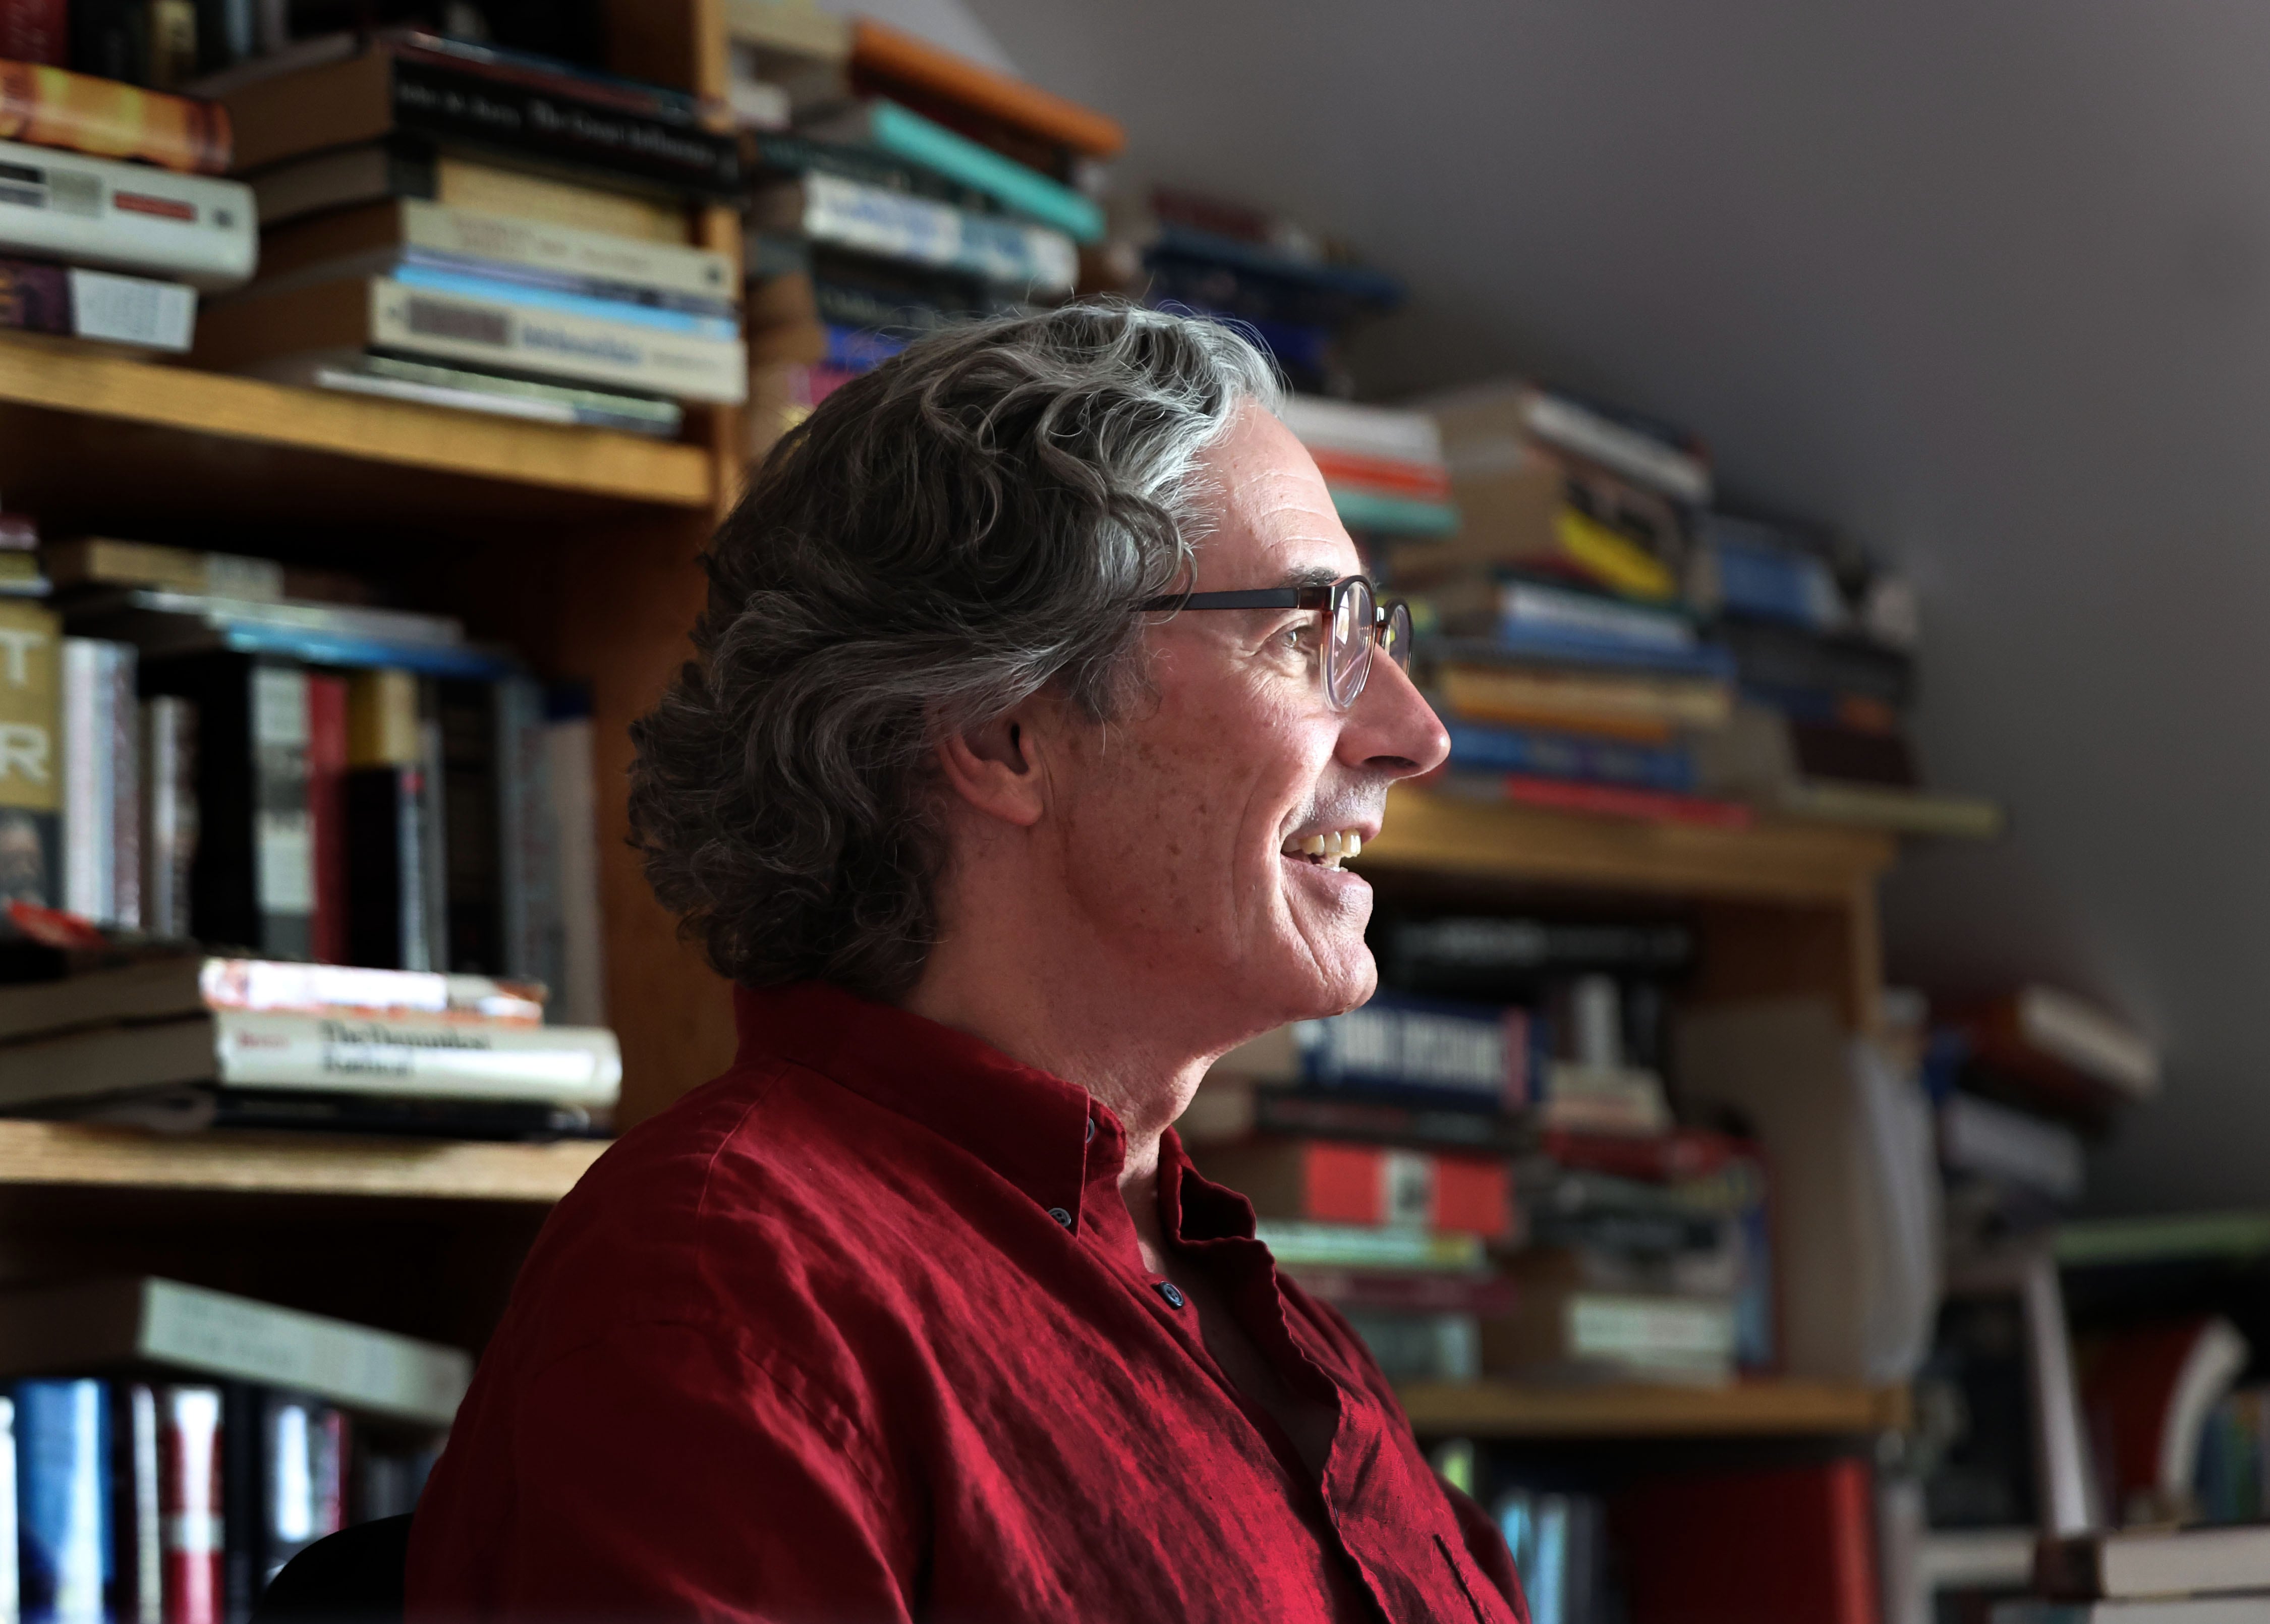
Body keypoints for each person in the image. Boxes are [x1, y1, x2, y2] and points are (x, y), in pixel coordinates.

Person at [406, 304, 1525, 1624]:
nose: (1413, 731)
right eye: (1305, 633)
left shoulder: (1247, 1304)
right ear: (1003, 731)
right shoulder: (725, 1285)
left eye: (1374, 631)